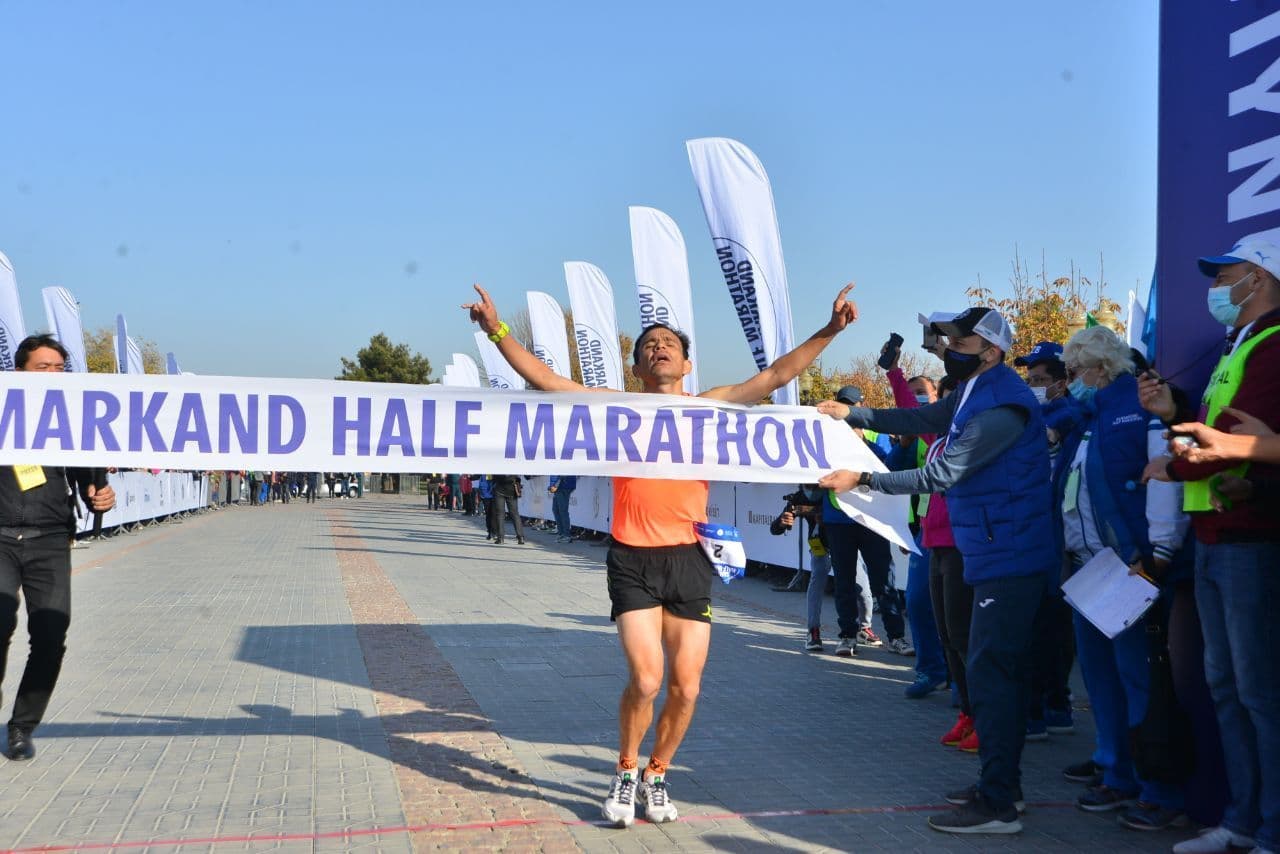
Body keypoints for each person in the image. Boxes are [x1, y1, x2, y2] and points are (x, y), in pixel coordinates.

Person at [464, 281, 858, 828]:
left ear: (687, 363)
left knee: (686, 687)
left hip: (688, 559)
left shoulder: (707, 407)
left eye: (669, 342)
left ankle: (657, 773)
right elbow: (548, 380)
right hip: (632, 560)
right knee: (647, 680)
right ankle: (625, 771)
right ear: (637, 368)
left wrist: (830, 331)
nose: (659, 347)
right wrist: (497, 329)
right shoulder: (617, 408)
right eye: (649, 344)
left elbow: (774, 376)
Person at [818, 306, 1056, 835]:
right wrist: (854, 415)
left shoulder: (1003, 403)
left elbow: (943, 472)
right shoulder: (974, 390)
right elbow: (920, 420)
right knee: (991, 670)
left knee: (992, 674)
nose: (948, 349)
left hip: (1011, 554)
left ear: (991, 351)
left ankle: (998, 804)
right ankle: (1003, 786)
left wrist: (864, 479)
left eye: (959, 342)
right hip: (992, 549)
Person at [1140, 239, 1280, 854]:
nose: (1215, 288)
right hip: (1214, 534)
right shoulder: (1237, 344)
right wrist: (1175, 414)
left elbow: (1237, 438)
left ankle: (1270, 829)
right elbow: (1218, 429)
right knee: (1226, 687)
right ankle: (1241, 822)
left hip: (1251, 537)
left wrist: (1175, 465)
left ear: (1259, 278)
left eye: (1225, 276)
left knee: (1258, 692)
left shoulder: (1272, 343)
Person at [1053, 326, 1192, 828]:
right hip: (1090, 569)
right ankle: (1116, 772)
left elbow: (1164, 480)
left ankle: (1158, 789)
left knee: (1139, 680)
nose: (1069, 381)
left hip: (1132, 569)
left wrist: (1159, 554)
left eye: (1074, 371)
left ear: (1100, 368)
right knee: (1100, 680)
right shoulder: (1090, 416)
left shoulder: (1139, 406)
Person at [1, 335, 116, 761]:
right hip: (0, 537)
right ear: (19, 372)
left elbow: (91, 481)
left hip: (50, 539)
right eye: (42, 367)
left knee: (50, 636)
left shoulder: (75, 417)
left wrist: (101, 495)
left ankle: (22, 727)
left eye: (59, 368)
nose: (52, 374)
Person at [825, 386, 909, 656]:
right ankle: (847, 636)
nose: (848, 410)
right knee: (844, 582)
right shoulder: (827, 442)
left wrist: (898, 444)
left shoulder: (876, 439)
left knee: (883, 580)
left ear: (862, 406)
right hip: (838, 520)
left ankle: (896, 637)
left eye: (853, 404)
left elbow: (889, 468)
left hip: (872, 520)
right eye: (844, 404)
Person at [882, 350, 947, 695]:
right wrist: (894, 372)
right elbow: (909, 412)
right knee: (919, 601)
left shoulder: (976, 431)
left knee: (955, 611)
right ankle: (931, 670)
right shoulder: (929, 434)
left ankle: (961, 680)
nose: (922, 399)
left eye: (926, 393)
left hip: (967, 536)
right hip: (927, 532)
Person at [768, 487, 829, 651]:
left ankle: (863, 628)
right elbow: (774, 528)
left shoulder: (836, 488)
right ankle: (813, 631)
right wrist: (783, 522)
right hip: (820, 545)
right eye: (805, 484)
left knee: (860, 587)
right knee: (816, 583)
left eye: (812, 484)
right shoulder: (801, 496)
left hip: (847, 544)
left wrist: (823, 515)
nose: (809, 487)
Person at [488, 475, 524, 545]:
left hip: (499, 488)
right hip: (512, 489)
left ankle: (500, 538)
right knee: (515, 514)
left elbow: (492, 477)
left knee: (500, 514)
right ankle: (521, 537)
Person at [549, 475, 577, 542]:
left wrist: (555, 484)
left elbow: (562, 471)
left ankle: (566, 535)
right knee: (556, 510)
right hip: (560, 485)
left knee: (562, 511)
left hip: (563, 485)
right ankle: (561, 533)